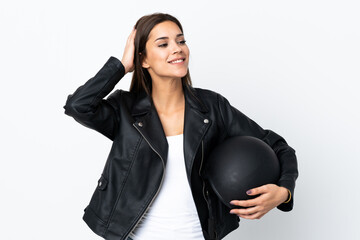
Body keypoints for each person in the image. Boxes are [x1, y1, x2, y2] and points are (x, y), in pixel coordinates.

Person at [64, 13, 298, 240]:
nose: (177, 48)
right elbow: (78, 106)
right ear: (143, 59)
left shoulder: (212, 107)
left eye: (181, 40)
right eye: (163, 44)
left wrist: (283, 192)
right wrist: (122, 65)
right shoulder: (124, 109)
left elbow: (278, 147)